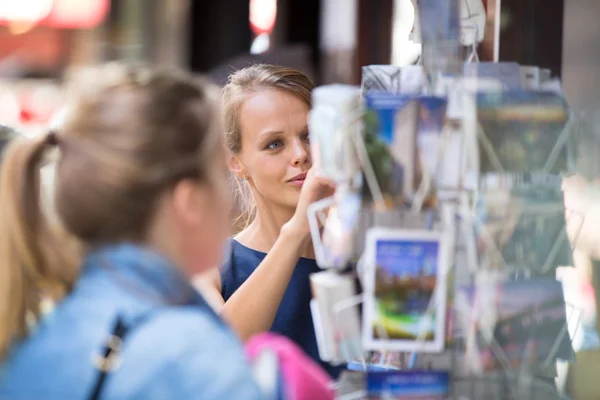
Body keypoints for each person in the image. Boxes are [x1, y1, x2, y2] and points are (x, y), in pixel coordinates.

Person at [0, 64, 263, 399]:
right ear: (190, 201)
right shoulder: (194, 360)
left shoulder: (32, 342)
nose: (230, 200)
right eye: (219, 174)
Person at [200, 64, 343, 378]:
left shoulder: (361, 250)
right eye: (274, 144)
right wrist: (296, 232)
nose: (300, 154)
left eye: (310, 135)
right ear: (235, 162)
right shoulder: (212, 267)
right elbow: (220, 352)